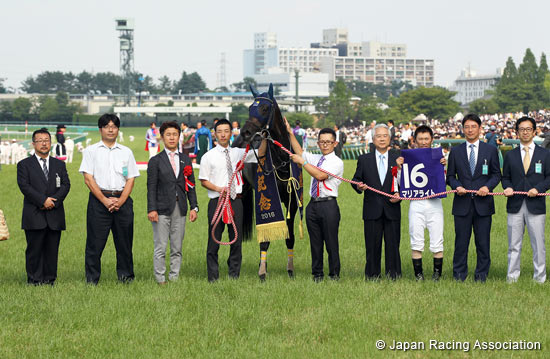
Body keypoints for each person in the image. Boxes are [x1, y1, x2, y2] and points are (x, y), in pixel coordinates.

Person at [198, 119, 265, 282]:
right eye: (219, 131)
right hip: (218, 201)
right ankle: (213, 277)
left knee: (236, 239)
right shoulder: (208, 157)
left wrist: (263, 137)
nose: (222, 134)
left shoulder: (237, 153)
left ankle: (234, 274)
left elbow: (260, 154)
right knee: (214, 239)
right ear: (214, 133)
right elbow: (203, 180)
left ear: (231, 133)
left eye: (226, 131)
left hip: (236, 201)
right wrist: (220, 189)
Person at [79, 114, 140, 284]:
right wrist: (105, 200)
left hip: (123, 200)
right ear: (100, 129)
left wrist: (120, 201)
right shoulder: (91, 151)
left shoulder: (126, 152)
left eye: (114, 126)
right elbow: (88, 179)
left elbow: (131, 179)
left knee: (124, 243)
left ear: (118, 129)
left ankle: (126, 278)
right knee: (94, 244)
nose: (110, 129)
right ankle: (92, 280)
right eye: (106, 126)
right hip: (99, 202)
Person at [446, 113, 501, 282]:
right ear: (463, 129)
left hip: (483, 204)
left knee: (483, 243)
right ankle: (459, 275)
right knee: (461, 243)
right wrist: (457, 187)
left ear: (480, 129)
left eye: (473, 127)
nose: (470, 130)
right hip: (462, 204)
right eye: (467, 127)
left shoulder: (490, 150)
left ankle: (481, 275)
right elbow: (450, 177)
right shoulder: (455, 151)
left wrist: (487, 187)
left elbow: (496, 174)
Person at [288, 120, 344, 281]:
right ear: (318, 142)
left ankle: (334, 275)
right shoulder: (316, 158)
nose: (325, 145)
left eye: (328, 142)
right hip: (313, 205)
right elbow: (299, 152)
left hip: (328, 204)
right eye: (322, 142)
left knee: (331, 242)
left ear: (335, 143)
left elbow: (320, 176)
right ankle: (317, 274)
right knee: (315, 243)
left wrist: (303, 162)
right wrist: (290, 132)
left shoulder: (336, 162)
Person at [17, 128, 70, 285]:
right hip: (34, 213)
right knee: (34, 249)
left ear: (51, 142)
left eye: (46, 140)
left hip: (55, 213)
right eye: (40, 140)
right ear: (33, 144)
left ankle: (49, 279)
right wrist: (42, 201)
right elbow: (24, 186)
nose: (44, 143)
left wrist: (53, 201)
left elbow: (66, 185)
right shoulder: (24, 165)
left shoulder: (59, 164)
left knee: (52, 249)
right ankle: (34, 279)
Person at [147, 121, 199, 284]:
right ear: (162, 138)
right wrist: (152, 209)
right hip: (161, 209)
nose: (171, 138)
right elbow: (151, 187)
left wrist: (194, 207)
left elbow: (191, 185)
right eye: (168, 135)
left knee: (177, 247)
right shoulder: (155, 161)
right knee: (161, 246)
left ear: (179, 137)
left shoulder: (185, 159)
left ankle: (174, 277)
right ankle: (160, 278)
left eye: (174, 134)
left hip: (180, 207)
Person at [502, 116, 550, 283]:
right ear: (517, 132)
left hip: (536, 205)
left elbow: (549, 177)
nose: (525, 132)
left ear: (534, 131)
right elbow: (505, 177)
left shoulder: (545, 154)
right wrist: (506, 187)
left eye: (528, 129)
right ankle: (512, 277)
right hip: (515, 204)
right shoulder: (510, 155)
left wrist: (539, 189)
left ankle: (540, 278)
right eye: (522, 129)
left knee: (538, 244)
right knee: (514, 244)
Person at [352, 123, 402, 280]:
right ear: (373, 139)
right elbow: (355, 180)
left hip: (392, 208)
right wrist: (359, 186)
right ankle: (372, 275)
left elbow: (406, 182)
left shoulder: (398, 158)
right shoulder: (364, 159)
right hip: (372, 209)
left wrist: (400, 194)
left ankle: (393, 274)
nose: (382, 139)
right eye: (378, 136)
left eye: (385, 136)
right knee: (372, 245)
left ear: (390, 138)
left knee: (393, 244)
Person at [395, 125, 445, 281]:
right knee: (416, 239)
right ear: (414, 141)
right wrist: (399, 168)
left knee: (437, 238)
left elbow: (444, 180)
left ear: (432, 140)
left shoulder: (439, 157)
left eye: (426, 139)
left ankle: (437, 274)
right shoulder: (406, 159)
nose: (423, 142)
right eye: (420, 139)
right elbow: (400, 184)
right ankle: (419, 275)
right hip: (416, 204)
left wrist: (444, 166)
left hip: (435, 203)